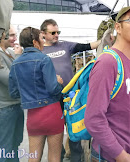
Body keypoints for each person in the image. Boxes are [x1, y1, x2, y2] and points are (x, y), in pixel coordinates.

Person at [85, 2, 130, 162]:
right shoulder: (108, 63)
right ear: (118, 27)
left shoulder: (129, 62)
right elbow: (93, 119)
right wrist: (120, 154)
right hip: (112, 157)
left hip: (129, 152)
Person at [40, 19, 101, 162]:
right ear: (43, 33)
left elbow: (86, 46)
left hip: (70, 95)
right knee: (55, 129)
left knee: (73, 125)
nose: (56, 35)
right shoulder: (40, 51)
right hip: (51, 97)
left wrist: (105, 39)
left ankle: (76, 156)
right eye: (53, 33)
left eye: (58, 32)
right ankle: (59, 154)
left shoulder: (65, 45)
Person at [9, 27, 64, 161]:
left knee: (33, 157)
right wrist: (59, 82)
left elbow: (14, 92)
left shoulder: (15, 64)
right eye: (41, 39)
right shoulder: (44, 59)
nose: (43, 42)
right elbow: (53, 89)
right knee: (55, 157)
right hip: (52, 112)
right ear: (34, 42)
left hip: (33, 116)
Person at [0, 25, 24, 162]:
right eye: (11, 35)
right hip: (3, 109)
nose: (15, 39)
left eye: (15, 35)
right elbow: (11, 80)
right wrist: (18, 57)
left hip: (15, 105)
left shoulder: (8, 51)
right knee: (3, 149)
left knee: (14, 147)